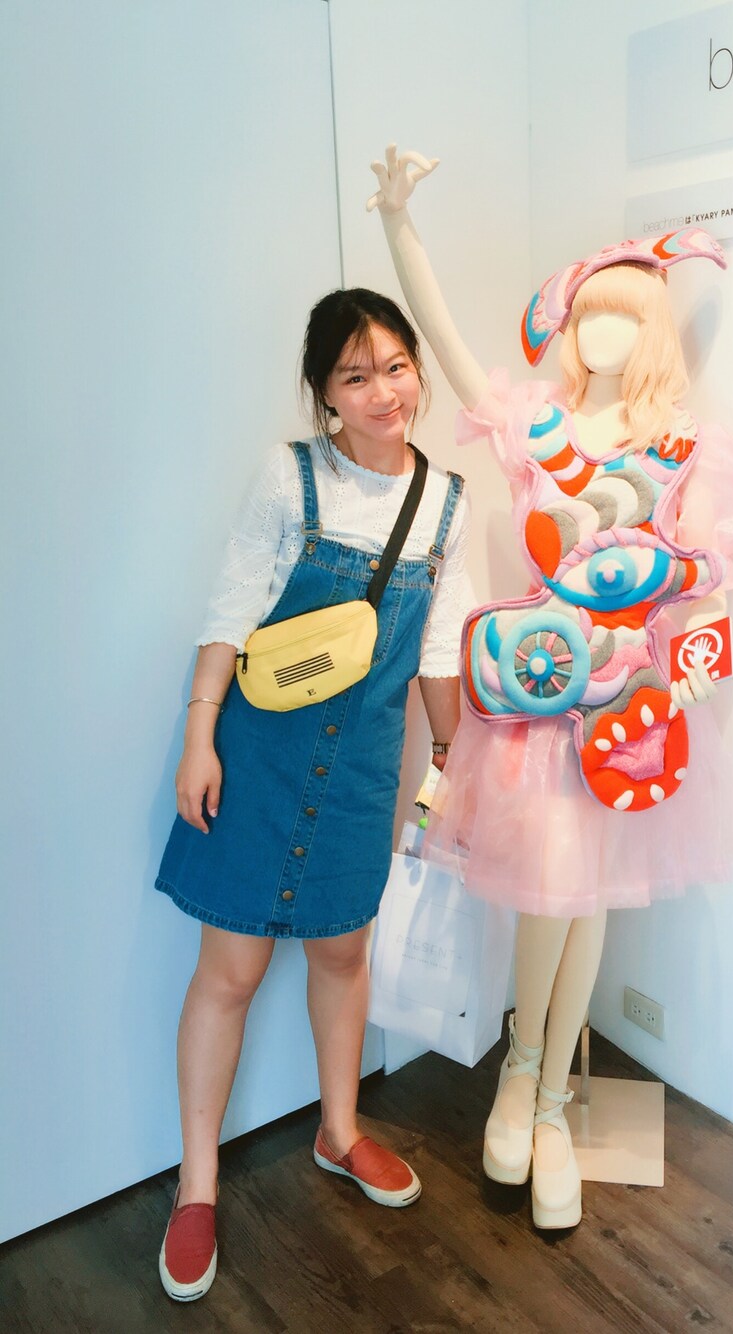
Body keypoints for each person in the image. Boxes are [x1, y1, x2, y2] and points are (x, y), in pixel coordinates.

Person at [369, 146, 733, 1230]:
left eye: (627, 318)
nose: (605, 337)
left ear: (655, 331)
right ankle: (525, 1073)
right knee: (555, 891)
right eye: (590, 317)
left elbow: (710, 588)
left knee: (590, 901)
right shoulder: (537, 426)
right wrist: (400, 226)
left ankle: (540, 1105)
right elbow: (448, 345)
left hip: (628, 709)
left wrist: (688, 680)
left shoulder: (687, 447)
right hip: (538, 700)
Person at [153, 287, 471, 1300]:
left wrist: (455, 762)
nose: (383, 391)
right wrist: (199, 739)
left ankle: (339, 1130)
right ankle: (197, 1184)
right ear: (324, 392)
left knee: (342, 952)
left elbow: (436, 649)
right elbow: (230, 612)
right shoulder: (289, 478)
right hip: (258, 756)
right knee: (231, 970)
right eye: (355, 375)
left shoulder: (448, 501)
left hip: (365, 766)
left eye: (396, 366)